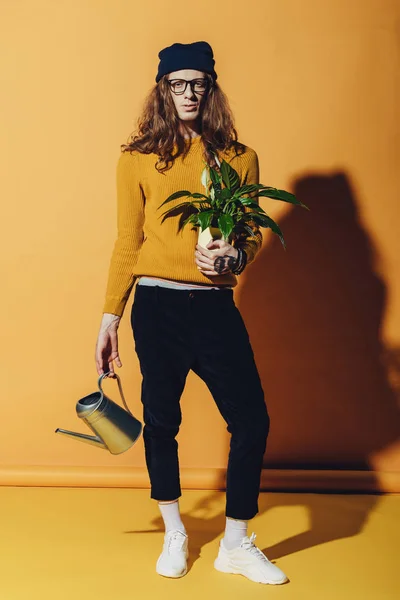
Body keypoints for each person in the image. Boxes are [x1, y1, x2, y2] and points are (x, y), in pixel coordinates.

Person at [95, 40, 288, 585]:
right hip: (155, 307)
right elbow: (126, 242)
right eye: (177, 83)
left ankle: (236, 542)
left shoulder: (239, 158)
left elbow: (247, 236)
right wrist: (110, 318)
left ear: (211, 88)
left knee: (251, 419)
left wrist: (234, 255)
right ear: (163, 89)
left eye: (198, 83)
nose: (188, 93)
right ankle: (175, 529)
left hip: (214, 307)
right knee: (161, 420)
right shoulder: (136, 159)